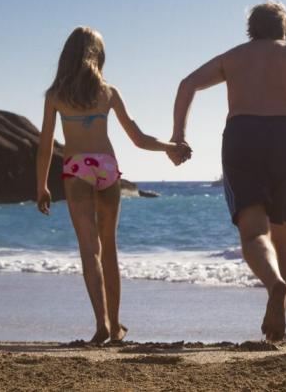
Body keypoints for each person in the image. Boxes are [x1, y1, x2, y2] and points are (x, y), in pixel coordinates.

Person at [171, 0, 286, 341]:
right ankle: (278, 327)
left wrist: (178, 136)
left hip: (243, 135)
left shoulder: (234, 57)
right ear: (285, 29)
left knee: (254, 232)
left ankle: (274, 285)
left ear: (251, 30)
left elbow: (187, 84)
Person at [35, 27, 189, 344]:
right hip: (107, 168)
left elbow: (45, 145)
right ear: (99, 56)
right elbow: (138, 137)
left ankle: (102, 325)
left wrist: (42, 186)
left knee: (90, 251)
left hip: (76, 169)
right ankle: (117, 325)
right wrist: (169, 147)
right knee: (110, 250)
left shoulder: (56, 95)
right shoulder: (108, 92)